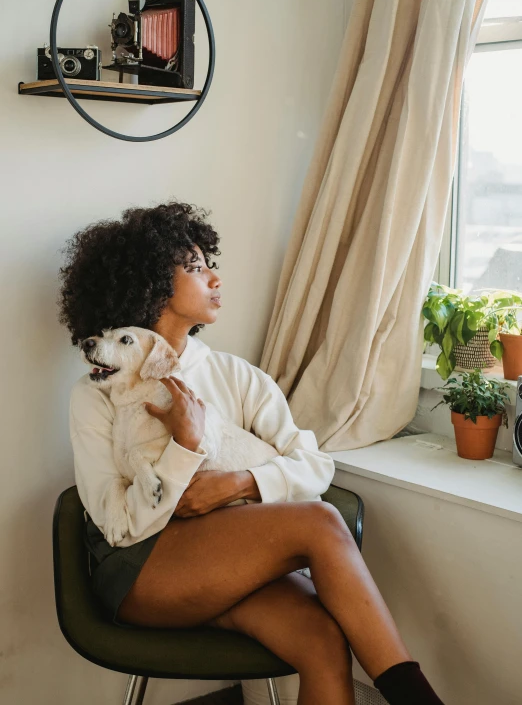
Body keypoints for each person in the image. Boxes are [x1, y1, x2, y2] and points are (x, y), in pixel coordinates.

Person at [58, 199, 445, 705]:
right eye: (195, 268)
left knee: (322, 639)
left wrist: (239, 485)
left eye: (209, 264)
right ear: (149, 284)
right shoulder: (97, 393)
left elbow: (314, 466)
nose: (215, 279)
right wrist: (187, 446)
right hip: (143, 572)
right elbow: (116, 524)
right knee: (321, 523)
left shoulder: (236, 376)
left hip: (226, 567)